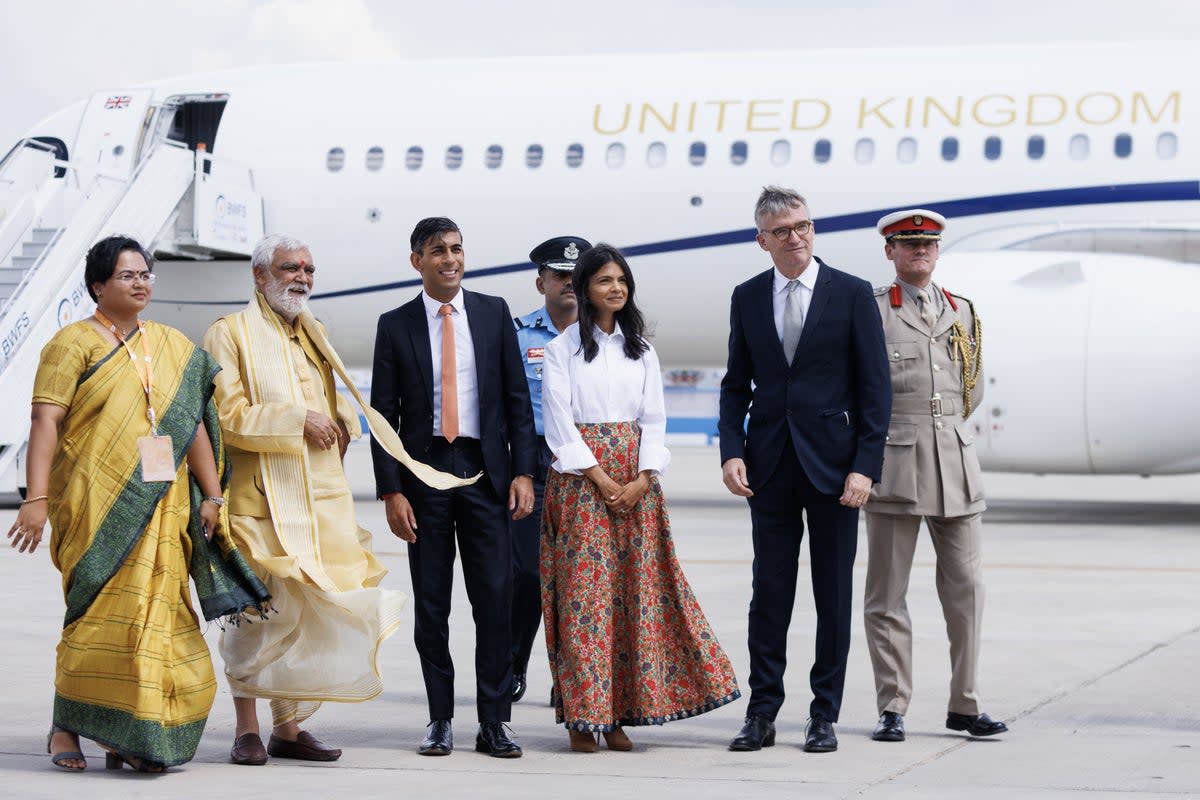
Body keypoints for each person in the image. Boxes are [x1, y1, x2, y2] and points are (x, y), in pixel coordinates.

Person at [7, 235, 266, 773]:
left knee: (156, 621)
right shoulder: (71, 344)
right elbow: (45, 422)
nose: (142, 282)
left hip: (165, 506)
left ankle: (137, 733)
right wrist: (35, 499)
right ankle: (65, 728)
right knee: (94, 621)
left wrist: (213, 493)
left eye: (146, 273)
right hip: (94, 504)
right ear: (98, 286)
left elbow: (194, 425)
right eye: (128, 276)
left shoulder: (170, 344)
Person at [203, 234, 462, 766]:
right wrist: (298, 421)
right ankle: (247, 728)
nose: (301, 277)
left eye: (309, 269)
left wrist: (342, 421)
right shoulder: (228, 334)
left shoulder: (313, 330)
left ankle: (289, 728)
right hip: (261, 503)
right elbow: (226, 418)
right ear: (259, 275)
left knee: (306, 618)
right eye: (289, 268)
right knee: (257, 620)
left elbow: (328, 402)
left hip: (319, 501)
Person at [541, 243, 741, 753]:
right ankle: (582, 717)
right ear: (584, 286)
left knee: (634, 597)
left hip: (637, 483)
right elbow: (559, 421)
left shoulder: (642, 350)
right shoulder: (563, 348)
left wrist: (643, 477)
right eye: (605, 280)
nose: (615, 289)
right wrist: (600, 479)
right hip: (582, 485)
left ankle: (619, 715)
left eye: (622, 281)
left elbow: (654, 420)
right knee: (586, 601)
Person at [720, 186, 891, 753]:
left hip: (836, 469)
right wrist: (731, 449)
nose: (795, 237)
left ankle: (824, 714)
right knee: (768, 593)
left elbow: (875, 388)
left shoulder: (849, 293)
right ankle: (762, 710)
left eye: (803, 226)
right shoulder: (747, 296)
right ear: (761, 240)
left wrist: (866, 466)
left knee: (832, 594)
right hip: (769, 465)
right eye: (782, 231)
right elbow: (734, 384)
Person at [370, 217, 536, 758]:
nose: (450, 258)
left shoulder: (492, 314)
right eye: (438, 250)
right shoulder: (394, 325)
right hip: (424, 476)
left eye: (457, 249)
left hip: (485, 472)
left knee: (495, 598)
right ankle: (440, 717)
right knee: (433, 603)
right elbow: (384, 416)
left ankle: (494, 721)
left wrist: (524, 472)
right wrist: (391, 490)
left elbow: (516, 401)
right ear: (417, 260)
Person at [863, 209, 1008, 742]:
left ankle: (965, 705)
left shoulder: (961, 311)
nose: (918, 252)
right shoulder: (874, 310)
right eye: (907, 244)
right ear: (891, 253)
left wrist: (945, 427)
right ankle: (892, 706)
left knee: (967, 590)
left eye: (927, 245)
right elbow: (859, 390)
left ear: (938, 251)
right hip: (896, 463)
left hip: (956, 461)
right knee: (886, 594)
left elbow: (972, 388)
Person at [509, 234, 591, 704]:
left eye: (577, 277)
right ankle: (513, 665)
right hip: (535, 463)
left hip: (587, 465)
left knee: (578, 578)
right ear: (541, 281)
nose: (569, 284)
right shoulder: (517, 336)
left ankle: (571, 681)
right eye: (560, 275)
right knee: (527, 573)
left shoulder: (606, 337)